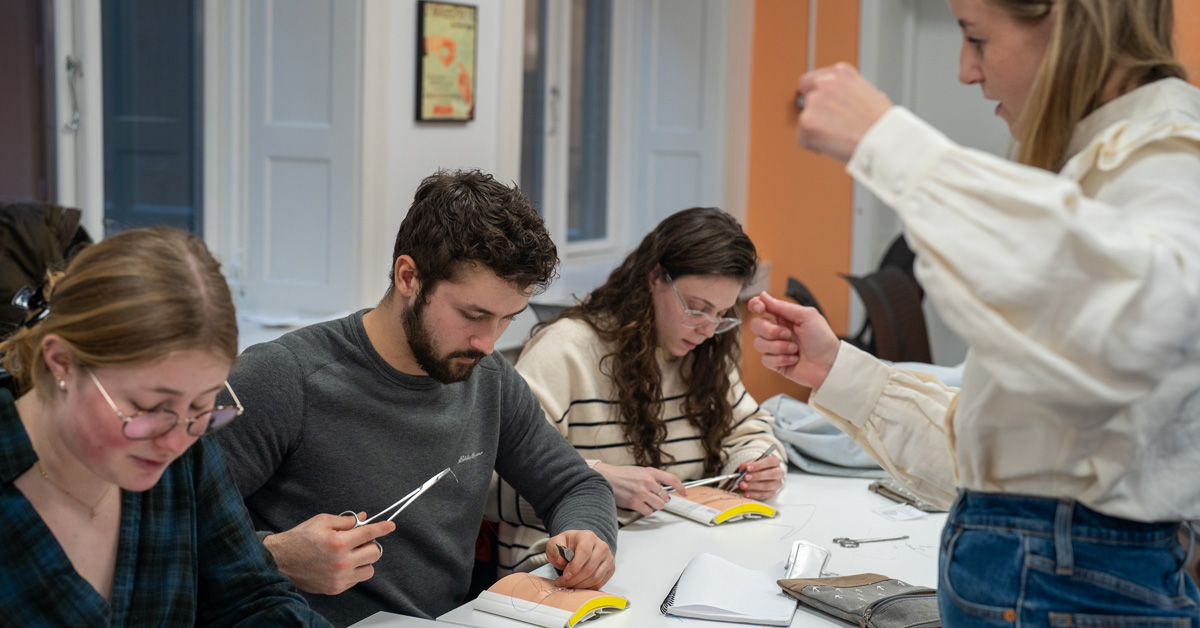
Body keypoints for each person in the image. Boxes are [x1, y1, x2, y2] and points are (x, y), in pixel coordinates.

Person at [750, 0, 1200, 623]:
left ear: (1069, 20)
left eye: (977, 38)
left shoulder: (1172, 155)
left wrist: (893, 146)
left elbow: (1137, 331)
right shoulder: (1099, 167)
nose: (966, 70)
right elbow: (991, 457)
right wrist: (837, 372)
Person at [213, 169, 618, 626]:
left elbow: (575, 484)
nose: (488, 342)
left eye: (508, 319)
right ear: (409, 277)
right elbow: (167, 532)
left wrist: (587, 536)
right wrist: (274, 557)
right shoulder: (284, 377)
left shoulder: (489, 380)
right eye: (473, 314)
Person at [0, 227, 330, 626]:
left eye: (201, 405)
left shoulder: (188, 450)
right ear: (62, 362)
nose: (175, 441)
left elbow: (252, 599)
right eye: (149, 407)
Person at [493, 207, 786, 574]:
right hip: (560, 568)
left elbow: (752, 429)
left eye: (722, 314)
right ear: (654, 279)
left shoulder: (706, 353)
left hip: (675, 550)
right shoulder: (567, 349)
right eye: (696, 308)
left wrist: (755, 463)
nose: (708, 329)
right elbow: (490, 475)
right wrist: (596, 479)